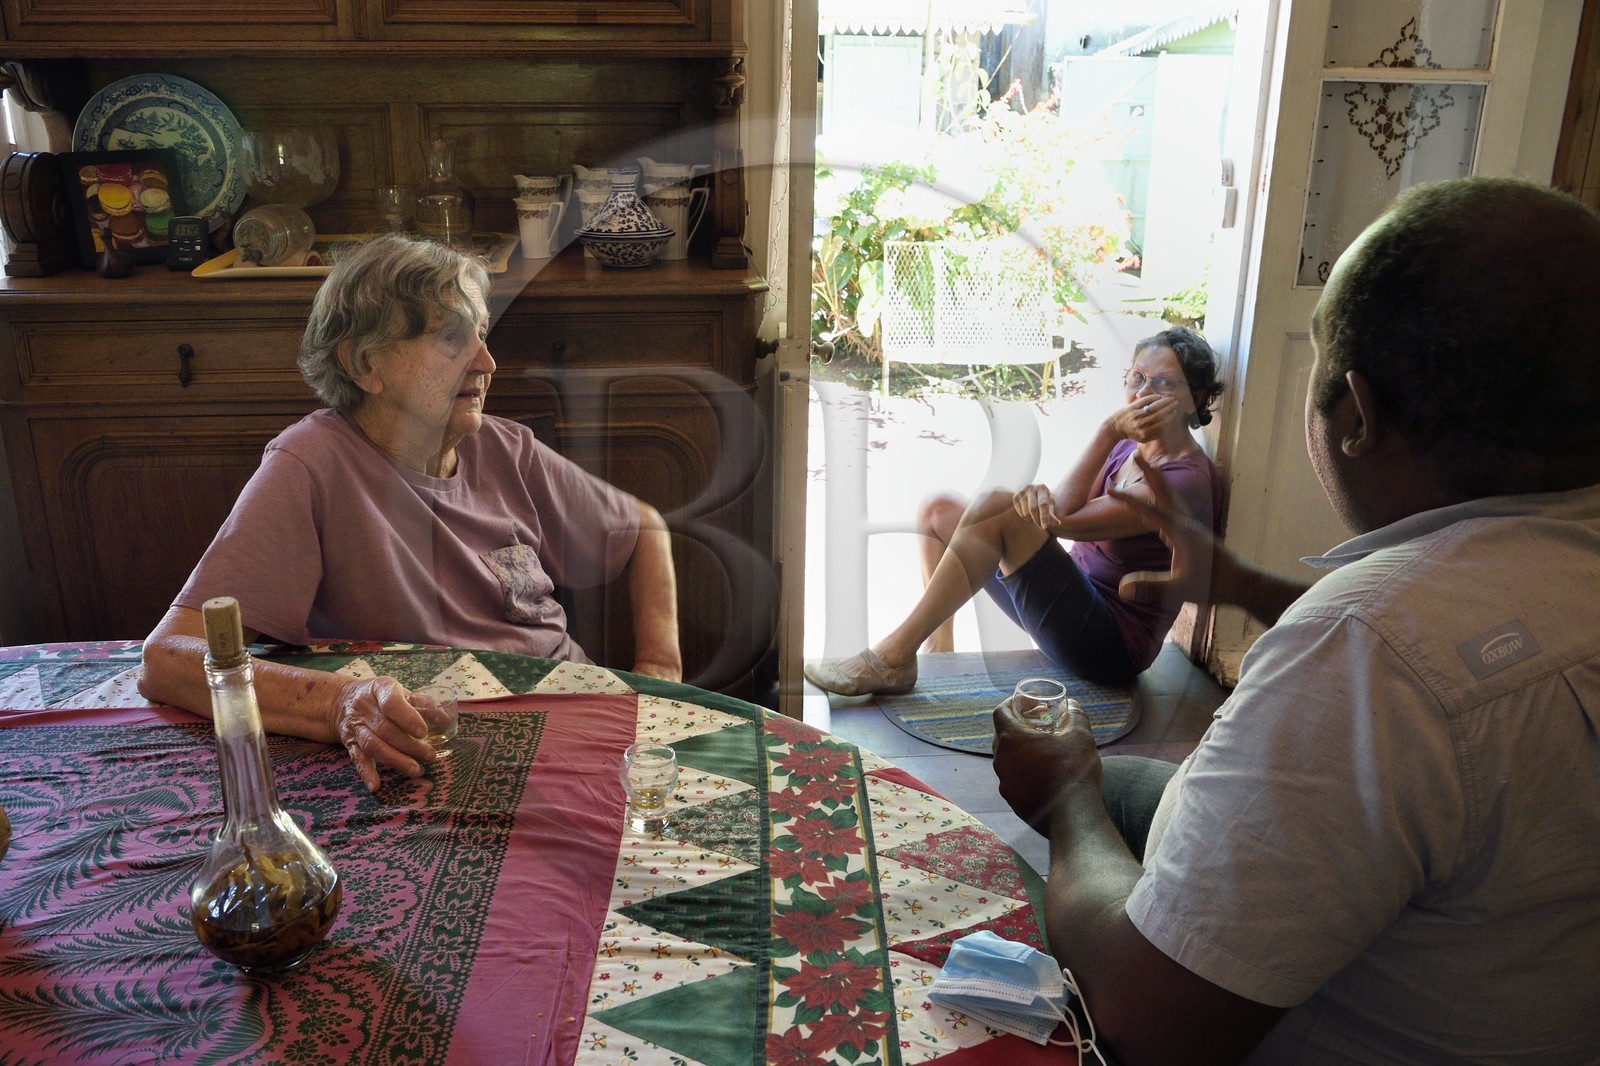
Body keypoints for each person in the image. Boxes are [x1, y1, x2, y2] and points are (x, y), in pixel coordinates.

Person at [992, 176, 1600, 1064]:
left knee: (1054, 841)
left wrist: (1062, 795)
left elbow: (1150, 1020)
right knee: (1128, 788)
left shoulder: (1363, 652)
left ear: (1356, 413)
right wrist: (1242, 584)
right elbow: (1473, 657)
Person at [140, 234, 681, 792]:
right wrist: (339, 703)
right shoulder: (312, 463)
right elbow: (169, 660)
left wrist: (660, 669)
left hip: (574, 716)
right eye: (451, 338)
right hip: (439, 750)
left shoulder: (506, 448)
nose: (487, 362)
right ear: (364, 363)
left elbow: (643, 528)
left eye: (482, 333)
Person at [804, 327, 1223, 696]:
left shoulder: (1186, 481)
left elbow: (1058, 523)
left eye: (1165, 383)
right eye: (1137, 378)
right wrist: (1098, 451)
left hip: (1109, 646)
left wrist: (1108, 430)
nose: (1143, 394)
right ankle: (935, 647)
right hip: (1070, 603)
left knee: (998, 506)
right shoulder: (1129, 449)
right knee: (939, 509)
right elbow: (1057, 508)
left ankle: (892, 654)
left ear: (1196, 399)